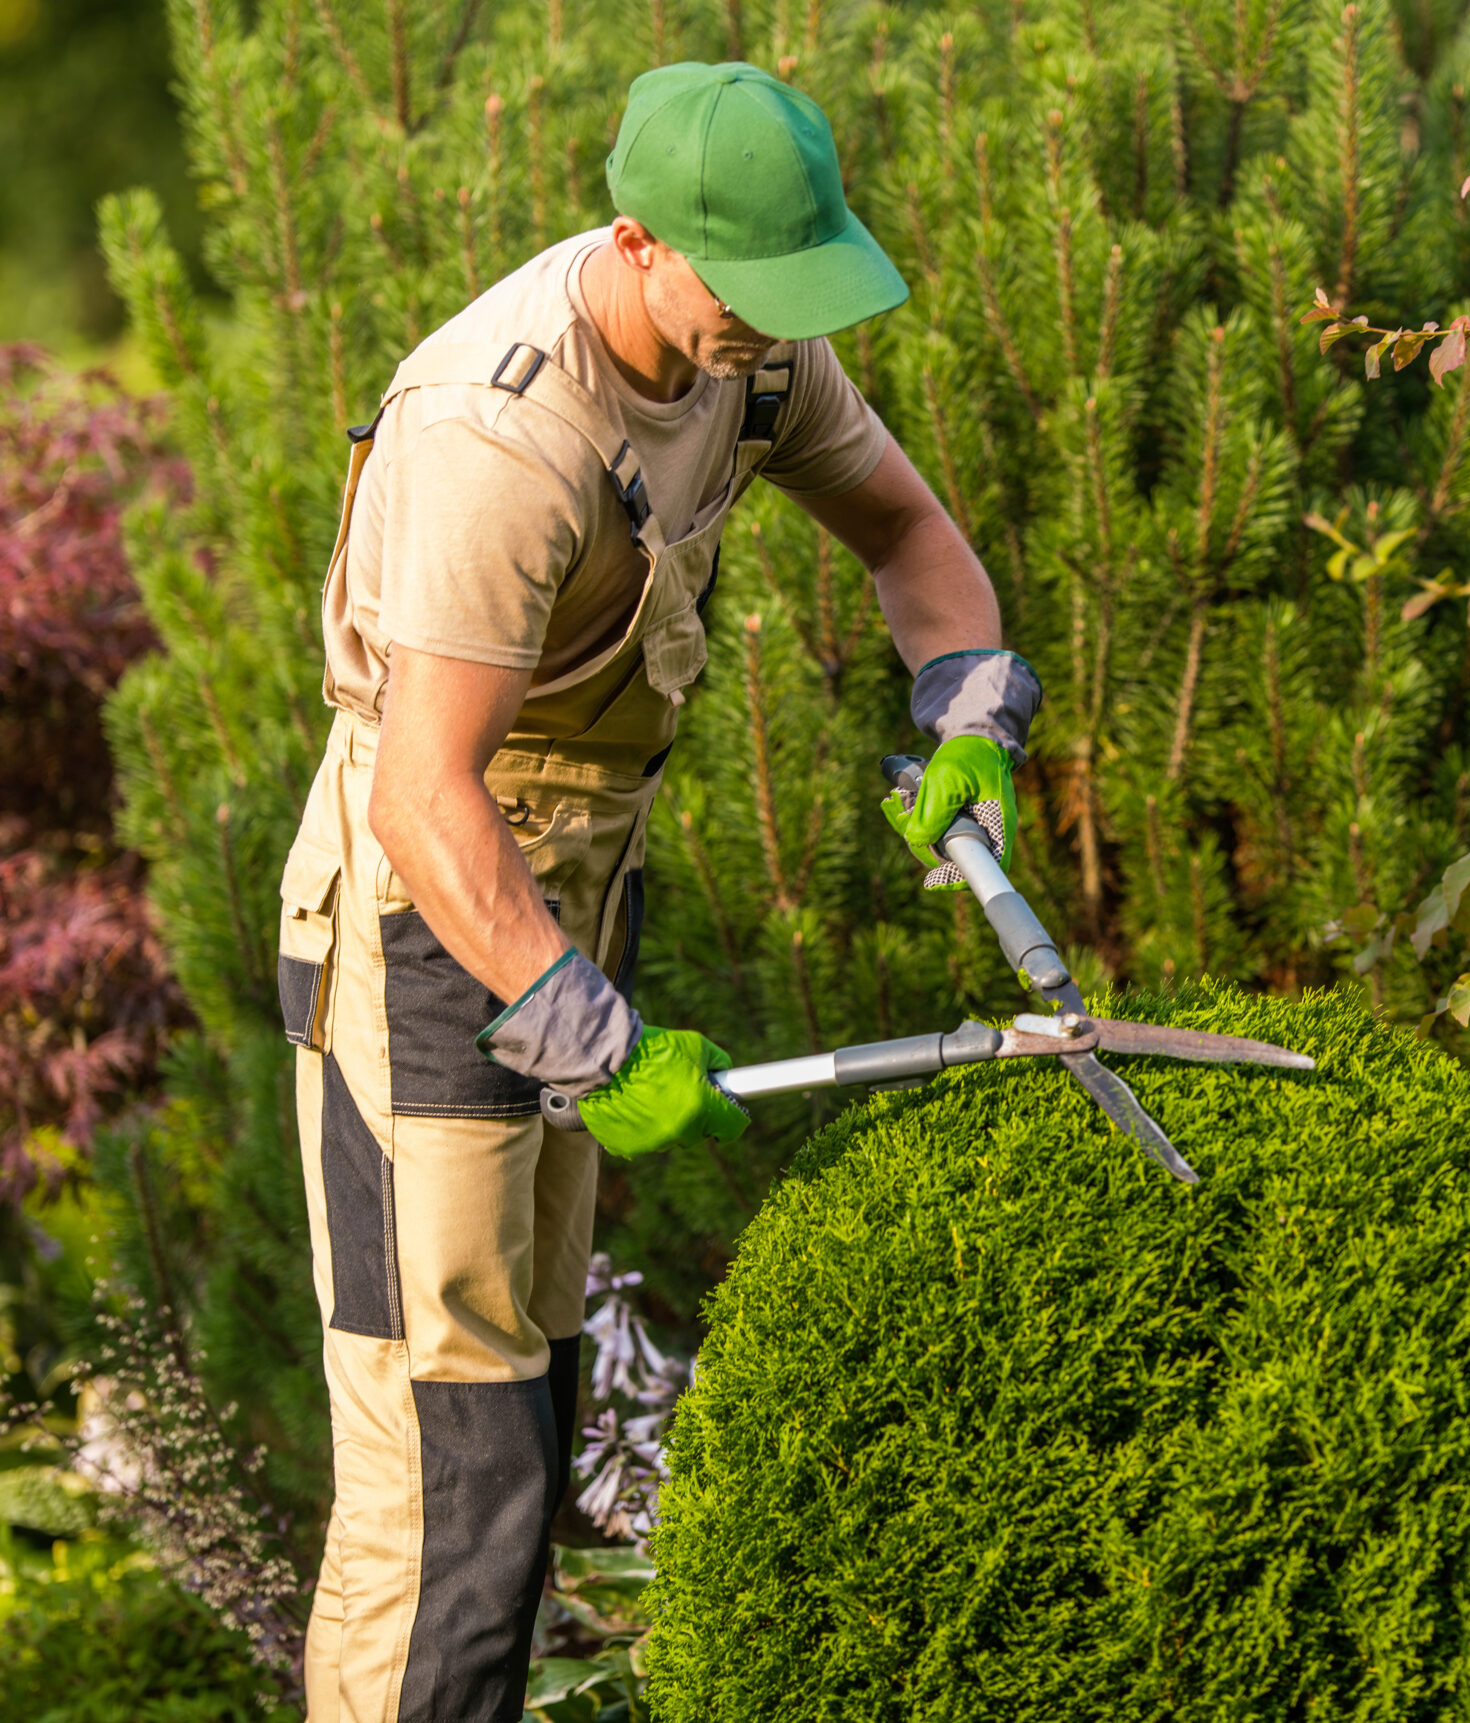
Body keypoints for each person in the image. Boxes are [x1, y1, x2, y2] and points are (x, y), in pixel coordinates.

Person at [270, 61, 1039, 1720]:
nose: (776, 331)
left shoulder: (753, 361)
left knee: (530, 1422)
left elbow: (911, 538)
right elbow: (422, 796)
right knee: (446, 1473)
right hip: (428, 927)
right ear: (640, 243)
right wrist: (587, 1039)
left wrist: (968, 707)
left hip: (569, 894)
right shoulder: (499, 436)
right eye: (749, 296)